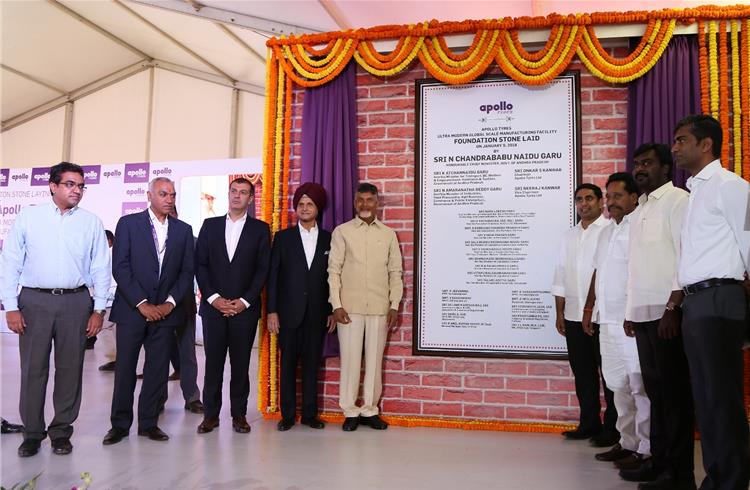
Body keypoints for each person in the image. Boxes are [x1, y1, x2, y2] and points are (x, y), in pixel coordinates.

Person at [0, 162, 111, 457]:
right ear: (53, 186)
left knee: (70, 370)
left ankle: (61, 432)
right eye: (70, 184)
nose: (77, 190)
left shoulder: (91, 222)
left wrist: (99, 309)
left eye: (81, 186)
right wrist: (10, 306)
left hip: (76, 302)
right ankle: (32, 433)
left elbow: (101, 267)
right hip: (34, 301)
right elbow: (10, 262)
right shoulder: (29, 217)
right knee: (33, 370)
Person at [673, 114, 750, 490]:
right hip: (697, 302)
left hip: (720, 298)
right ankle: (718, 478)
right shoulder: (695, 192)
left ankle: (732, 482)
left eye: (682, 139)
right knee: (706, 398)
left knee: (722, 398)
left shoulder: (732, 186)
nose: (675, 147)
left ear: (706, 144)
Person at [621, 144, 694, 489]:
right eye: (637, 164)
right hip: (643, 314)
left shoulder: (679, 201)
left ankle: (680, 475)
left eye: (647, 163)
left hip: (668, 314)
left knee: (675, 396)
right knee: (656, 393)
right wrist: (630, 311)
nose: (640, 169)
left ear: (666, 168)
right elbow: (636, 267)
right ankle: (660, 462)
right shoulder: (641, 209)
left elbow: (685, 255)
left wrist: (672, 307)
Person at [102, 177, 194, 445]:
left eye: (172, 195)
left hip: (166, 314)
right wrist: (142, 304)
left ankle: (149, 423)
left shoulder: (183, 230)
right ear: (149, 195)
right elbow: (120, 267)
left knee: (157, 371)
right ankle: (119, 426)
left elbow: (187, 271)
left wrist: (169, 303)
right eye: (163, 194)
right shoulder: (129, 224)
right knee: (126, 370)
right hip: (132, 312)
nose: (169, 199)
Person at [582, 173, 651, 477]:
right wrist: (589, 308)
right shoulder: (607, 232)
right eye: (608, 197)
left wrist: (633, 312)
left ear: (634, 198)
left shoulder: (641, 229)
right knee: (617, 385)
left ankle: (647, 450)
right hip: (606, 320)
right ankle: (627, 442)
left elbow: (645, 274)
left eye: (617, 196)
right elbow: (598, 273)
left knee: (639, 386)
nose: (610, 203)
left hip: (632, 323)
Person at [194, 177, 270, 434]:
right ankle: (210, 417)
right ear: (228, 195)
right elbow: (200, 265)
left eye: (244, 192)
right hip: (213, 309)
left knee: (240, 366)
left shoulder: (260, 229)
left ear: (250, 199)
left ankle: (239, 416)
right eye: (234, 191)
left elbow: (262, 270)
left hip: (244, 311)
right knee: (213, 365)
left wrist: (245, 301)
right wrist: (214, 299)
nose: (237, 196)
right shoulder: (210, 226)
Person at [328, 182, 403, 432]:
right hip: (348, 309)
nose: (364, 205)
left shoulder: (388, 234)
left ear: (377, 202)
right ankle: (350, 411)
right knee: (350, 361)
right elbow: (333, 271)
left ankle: (370, 410)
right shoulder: (342, 232)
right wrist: (336, 305)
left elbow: (395, 272)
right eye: (360, 200)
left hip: (380, 308)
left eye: (370, 200)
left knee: (374, 362)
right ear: (354, 202)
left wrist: (394, 305)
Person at [551, 183, 618, 446]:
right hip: (572, 315)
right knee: (583, 373)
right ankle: (589, 424)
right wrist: (559, 312)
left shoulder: (610, 231)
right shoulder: (568, 236)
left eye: (589, 198)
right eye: (579, 199)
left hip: (601, 316)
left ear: (601, 201)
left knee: (610, 374)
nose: (584, 204)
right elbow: (560, 274)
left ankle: (613, 428)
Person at [267, 182, 334, 431]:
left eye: (310, 204)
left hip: (317, 313)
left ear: (318, 208)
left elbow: (334, 278)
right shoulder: (283, 238)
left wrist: (331, 311)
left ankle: (309, 414)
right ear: (296, 208)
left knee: (311, 365)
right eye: (301, 204)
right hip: (288, 314)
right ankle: (287, 415)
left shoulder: (330, 238)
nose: (305, 208)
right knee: (287, 366)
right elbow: (273, 276)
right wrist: (272, 311)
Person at [98, 230, 118, 372]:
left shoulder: (110, 256)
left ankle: (115, 359)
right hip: (110, 298)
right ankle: (116, 359)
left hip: (111, 298)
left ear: (110, 241)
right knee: (109, 328)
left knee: (105, 327)